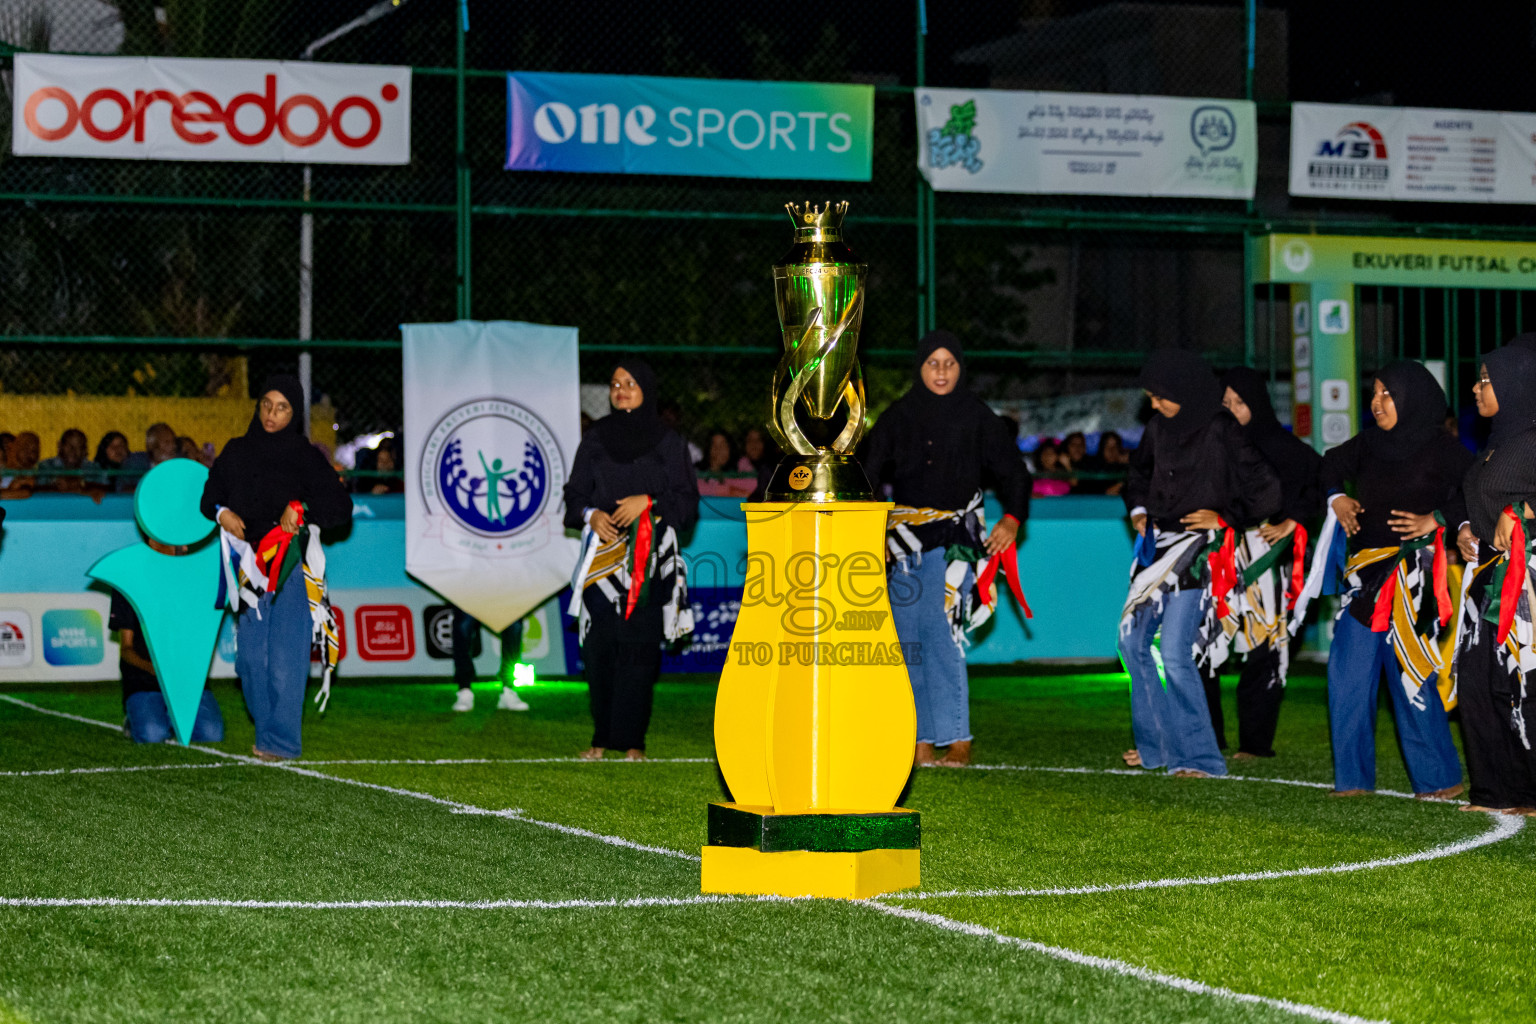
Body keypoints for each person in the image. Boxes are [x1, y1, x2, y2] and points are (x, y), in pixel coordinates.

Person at [863, 329, 1033, 768]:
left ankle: (957, 738)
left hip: (955, 538)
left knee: (942, 634)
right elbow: (864, 473)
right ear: (919, 368)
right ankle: (920, 741)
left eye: (950, 363)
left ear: (961, 368)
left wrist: (1012, 518)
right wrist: (870, 534)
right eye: (932, 363)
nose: (941, 371)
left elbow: (1015, 473)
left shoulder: (977, 416)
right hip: (902, 542)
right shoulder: (898, 416)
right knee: (908, 642)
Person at [1120, 350, 1280, 779]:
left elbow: (1267, 490)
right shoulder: (1157, 428)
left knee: (1173, 652)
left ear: (1182, 391)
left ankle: (1200, 759)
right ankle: (1157, 746)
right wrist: (1138, 510)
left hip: (1199, 551)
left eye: (1159, 396)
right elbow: (1137, 475)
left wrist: (1226, 517)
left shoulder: (1220, 428)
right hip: (1158, 548)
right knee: (1132, 645)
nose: (1153, 405)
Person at [1320, 360, 1469, 800]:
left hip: (1414, 575)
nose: (1376, 402)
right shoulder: (1367, 444)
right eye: (1375, 393)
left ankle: (1439, 778)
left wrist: (1437, 519)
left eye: (1387, 394)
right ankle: (1352, 780)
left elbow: (1480, 490)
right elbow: (1328, 464)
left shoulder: (1444, 449)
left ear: (1412, 399)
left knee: (1409, 671)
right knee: (1347, 674)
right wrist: (1338, 496)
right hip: (1366, 575)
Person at [200, 375, 352, 761]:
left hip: (290, 567)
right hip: (250, 569)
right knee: (250, 661)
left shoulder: (306, 457)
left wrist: (301, 508)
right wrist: (223, 513)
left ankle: (280, 741)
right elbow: (208, 497)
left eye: (282, 407)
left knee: (286, 657)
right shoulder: (236, 451)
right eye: (267, 404)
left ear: (294, 412)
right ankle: (268, 730)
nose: (272, 414)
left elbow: (340, 509)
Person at [564, 358, 698, 760]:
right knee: (599, 648)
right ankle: (601, 738)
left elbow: (688, 502)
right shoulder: (596, 437)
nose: (621, 390)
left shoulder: (669, 441)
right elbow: (574, 496)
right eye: (615, 383)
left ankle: (633, 742)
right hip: (602, 558)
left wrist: (650, 502)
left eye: (630, 383)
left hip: (650, 557)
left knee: (639, 650)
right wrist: (592, 515)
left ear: (647, 390)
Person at [1202, 366, 1323, 759]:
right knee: (1204, 644)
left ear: (1258, 403)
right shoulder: (1212, 444)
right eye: (1225, 403)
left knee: (1266, 648)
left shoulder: (1286, 448)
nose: (1234, 410)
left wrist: (1295, 520)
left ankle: (1255, 743)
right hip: (1218, 556)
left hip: (1267, 561)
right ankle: (1207, 739)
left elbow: (1321, 488)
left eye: (1241, 402)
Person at [1452, 344, 1536, 814]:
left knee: (1523, 684)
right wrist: (1465, 528)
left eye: (1485, 379)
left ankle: (1528, 791)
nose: (1476, 388)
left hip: (1528, 580)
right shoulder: (1498, 443)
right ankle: (1493, 790)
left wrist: (1525, 510)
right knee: (1478, 683)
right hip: (1488, 575)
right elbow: (1473, 500)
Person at [111, 538, 224, 744]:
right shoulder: (129, 583)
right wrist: (153, 668)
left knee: (211, 733)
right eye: (178, 543)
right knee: (153, 733)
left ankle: (172, 717)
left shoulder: (193, 583)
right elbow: (126, 649)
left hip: (187, 683)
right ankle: (137, 718)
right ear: (155, 541)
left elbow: (199, 640)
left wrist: (190, 672)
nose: (185, 547)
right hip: (144, 682)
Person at [449, 611, 529, 712]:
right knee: (463, 622)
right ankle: (464, 689)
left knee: (514, 624)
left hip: (503, 596)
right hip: (470, 596)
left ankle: (508, 690)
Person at [121, 423, 179, 491]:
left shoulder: (180, 467)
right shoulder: (136, 464)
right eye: (167, 442)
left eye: (174, 442)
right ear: (152, 445)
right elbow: (122, 489)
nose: (173, 446)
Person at [0, 431, 41, 497]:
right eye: (24, 446)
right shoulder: (3, 468)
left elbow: (24, 493)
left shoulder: (28, 476)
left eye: (34, 451)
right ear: (11, 446)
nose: (29, 453)